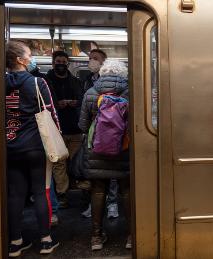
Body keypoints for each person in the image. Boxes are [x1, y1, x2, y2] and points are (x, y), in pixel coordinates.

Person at [5, 40, 59, 257]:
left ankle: (15, 242)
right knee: (41, 192)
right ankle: (46, 240)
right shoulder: (37, 83)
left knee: (15, 195)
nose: (31, 58)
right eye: (29, 55)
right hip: (35, 146)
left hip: (10, 146)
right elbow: (51, 113)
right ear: (20, 60)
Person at [78, 60, 131, 250]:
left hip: (96, 151)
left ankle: (96, 237)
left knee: (98, 191)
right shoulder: (130, 93)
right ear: (123, 74)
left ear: (102, 73)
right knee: (126, 191)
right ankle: (131, 236)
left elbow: (83, 126)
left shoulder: (90, 93)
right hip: (123, 151)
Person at [45, 51, 83, 208]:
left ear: (67, 63)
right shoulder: (46, 81)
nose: (61, 64)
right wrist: (56, 104)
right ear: (53, 63)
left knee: (73, 161)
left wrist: (75, 102)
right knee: (59, 163)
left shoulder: (76, 81)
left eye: (64, 61)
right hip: (55, 127)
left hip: (75, 128)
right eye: (58, 61)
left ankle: (74, 185)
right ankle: (62, 193)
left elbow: (82, 99)